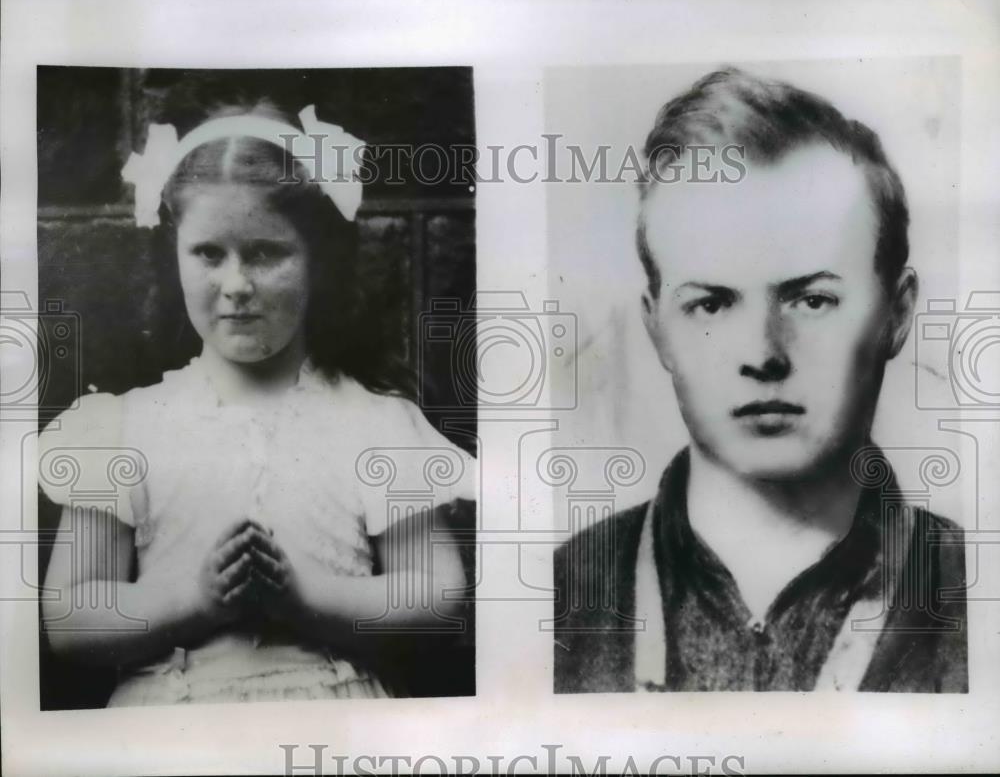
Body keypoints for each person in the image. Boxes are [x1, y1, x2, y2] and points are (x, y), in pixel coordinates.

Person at [39, 98, 475, 705]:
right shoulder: (121, 427)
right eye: (209, 253)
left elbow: (438, 599)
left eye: (267, 253)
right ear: (174, 258)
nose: (236, 284)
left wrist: (304, 599)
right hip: (173, 726)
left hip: (335, 719)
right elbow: (70, 620)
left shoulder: (377, 423)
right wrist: (192, 602)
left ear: (318, 260)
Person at [553, 68, 967, 693]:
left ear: (897, 315)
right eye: (713, 304)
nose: (763, 354)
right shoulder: (554, 595)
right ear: (658, 328)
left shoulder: (977, 589)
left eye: (812, 300)